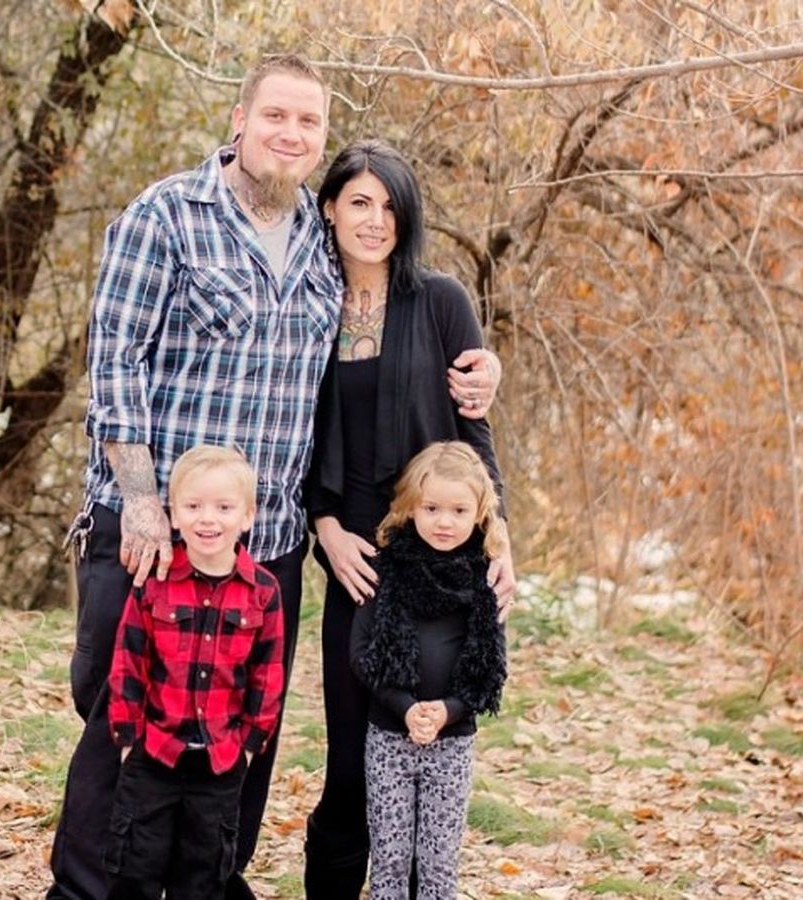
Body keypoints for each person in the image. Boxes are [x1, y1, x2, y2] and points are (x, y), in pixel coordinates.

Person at [51, 54, 500, 900]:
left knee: (240, 734)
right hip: (159, 530)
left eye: (308, 122)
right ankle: (85, 890)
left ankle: (210, 882)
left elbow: (389, 331)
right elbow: (113, 365)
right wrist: (142, 504)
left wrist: (482, 371)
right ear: (240, 120)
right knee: (124, 728)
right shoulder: (166, 216)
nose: (291, 134)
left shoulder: (319, 245)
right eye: (276, 116)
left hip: (268, 545)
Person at [302, 139, 516, 899]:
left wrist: (500, 536)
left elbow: (474, 430)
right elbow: (291, 430)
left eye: (391, 206)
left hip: (439, 557)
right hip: (355, 557)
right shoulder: (304, 301)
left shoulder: (441, 301)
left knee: (431, 752)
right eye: (359, 202)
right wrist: (325, 528)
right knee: (349, 767)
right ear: (330, 208)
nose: (375, 220)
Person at [105, 446, 285, 899]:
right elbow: (129, 661)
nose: (208, 519)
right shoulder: (155, 581)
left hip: (220, 762)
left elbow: (267, 677)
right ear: (174, 513)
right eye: (193, 506)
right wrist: (127, 738)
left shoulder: (263, 592)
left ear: (247, 516)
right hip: (154, 755)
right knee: (135, 869)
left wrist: (249, 745)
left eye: (224, 508)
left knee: (203, 878)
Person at [351, 441, 508, 898]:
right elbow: (362, 653)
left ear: (479, 514)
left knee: (438, 865)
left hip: (452, 744)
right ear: (410, 507)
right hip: (388, 739)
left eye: (459, 511)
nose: (444, 521)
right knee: (390, 859)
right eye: (432, 508)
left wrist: (448, 710)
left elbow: (491, 669)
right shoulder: (386, 571)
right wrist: (404, 708)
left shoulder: (485, 580)